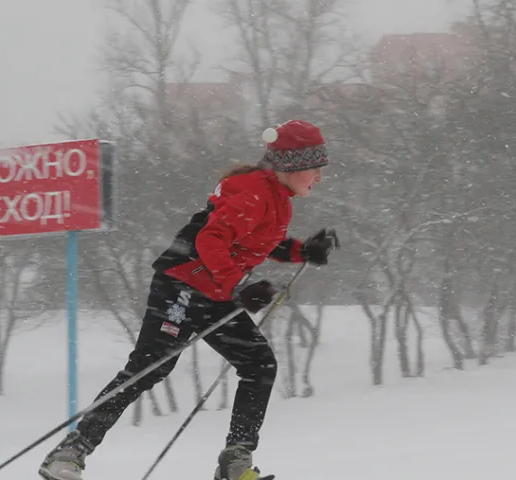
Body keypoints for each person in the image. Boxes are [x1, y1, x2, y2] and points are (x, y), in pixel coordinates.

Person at [38, 119, 340, 480]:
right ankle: (70, 452)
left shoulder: (276, 198)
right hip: (181, 284)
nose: (318, 178)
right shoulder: (256, 192)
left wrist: (301, 250)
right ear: (292, 164)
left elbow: (255, 239)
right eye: (315, 169)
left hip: (215, 292)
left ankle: (235, 461)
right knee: (151, 366)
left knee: (259, 364)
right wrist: (239, 287)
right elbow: (209, 241)